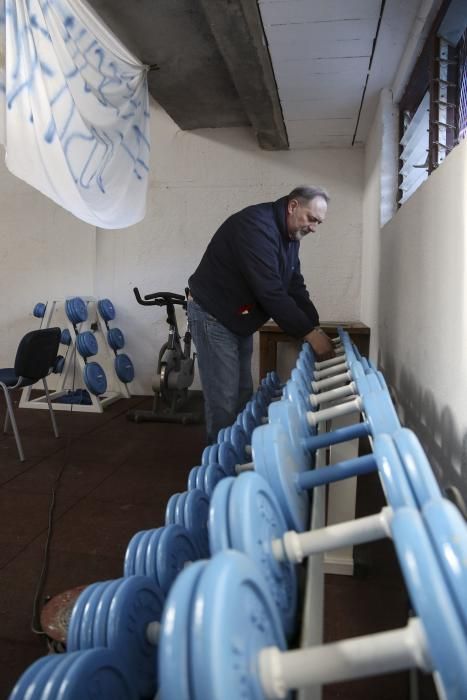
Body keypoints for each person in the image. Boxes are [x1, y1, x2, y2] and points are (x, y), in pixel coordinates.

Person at [187, 185, 335, 443]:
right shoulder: (256, 227)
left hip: (239, 318)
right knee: (224, 399)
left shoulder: (289, 237)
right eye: (312, 219)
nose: (314, 228)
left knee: (244, 393)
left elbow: (294, 284)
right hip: (214, 315)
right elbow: (271, 291)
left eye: (319, 223)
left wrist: (315, 326)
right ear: (292, 206)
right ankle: (221, 475)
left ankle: (240, 459)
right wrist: (310, 335)